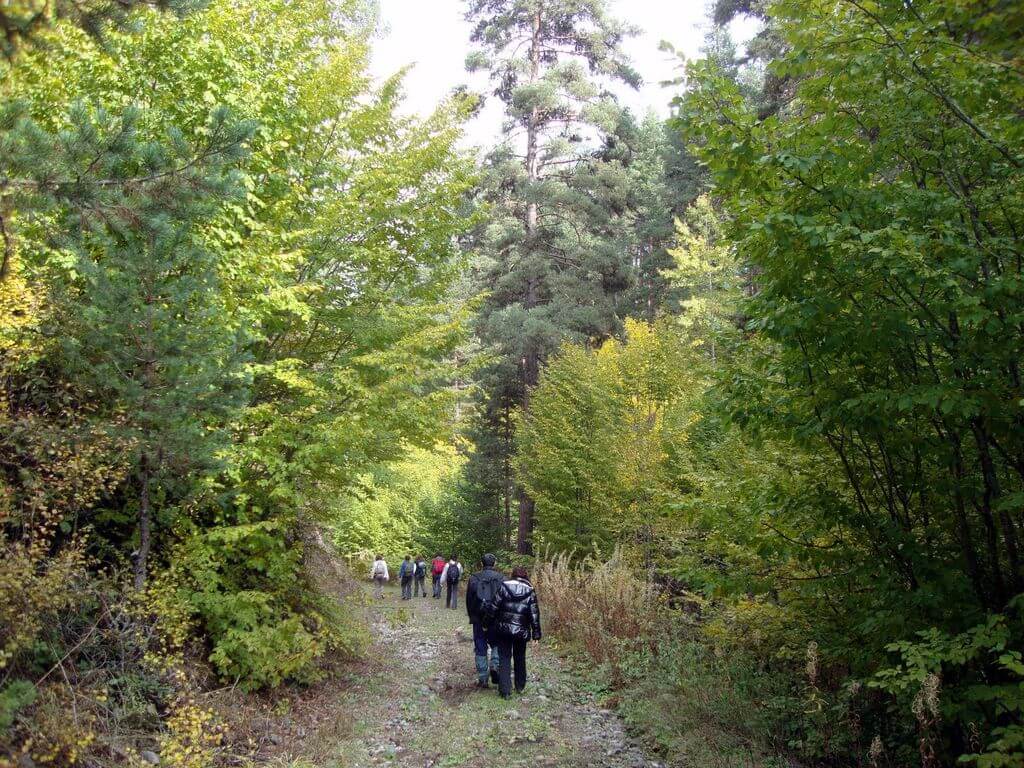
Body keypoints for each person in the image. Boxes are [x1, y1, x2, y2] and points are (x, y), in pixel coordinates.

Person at [487, 565, 542, 699]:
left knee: (504, 657)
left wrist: (486, 623)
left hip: (503, 629)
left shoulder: (504, 586)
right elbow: (534, 613)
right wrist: (536, 633)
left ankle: (505, 690)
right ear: (525, 576)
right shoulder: (530, 590)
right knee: (519, 657)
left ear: (513, 574)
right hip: (521, 630)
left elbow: (494, 606)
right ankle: (520, 685)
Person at [465, 553, 504, 688]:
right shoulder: (501, 578)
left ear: (482, 563)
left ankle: (482, 678)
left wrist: (472, 616)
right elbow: (505, 599)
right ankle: (495, 664)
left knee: (480, 646)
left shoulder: (474, 578)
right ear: (494, 563)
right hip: (496, 618)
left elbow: (469, 599)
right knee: (497, 643)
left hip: (478, 618)